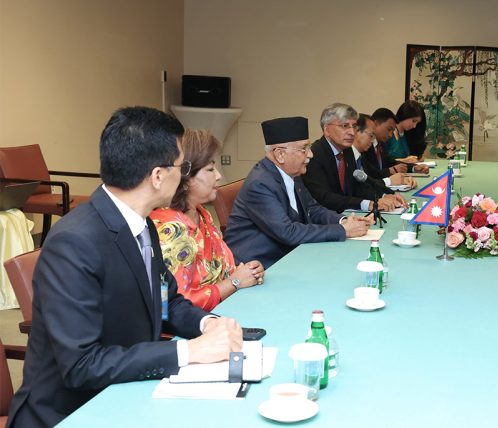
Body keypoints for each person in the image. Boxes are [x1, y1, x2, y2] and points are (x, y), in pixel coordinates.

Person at [7, 107, 243, 428]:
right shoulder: (73, 242)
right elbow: (81, 365)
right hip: (69, 413)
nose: (183, 175)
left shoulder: (141, 224)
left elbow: (167, 301)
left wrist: (207, 324)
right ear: (158, 176)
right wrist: (189, 352)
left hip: (127, 390)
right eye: (181, 166)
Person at [225, 116, 372, 269]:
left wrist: (344, 221)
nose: (310, 154)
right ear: (280, 154)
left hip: (289, 255)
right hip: (258, 265)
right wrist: (343, 231)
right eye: (304, 149)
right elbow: (288, 232)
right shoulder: (260, 184)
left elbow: (313, 209)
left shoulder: (293, 174)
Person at [150, 130, 265, 312]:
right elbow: (177, 305)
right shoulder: (170, 229)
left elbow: (217, 270)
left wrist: (246, 272)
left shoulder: (201, 213)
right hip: (198, 323)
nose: (218, 176)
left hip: (224, 309)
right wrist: (235, 282)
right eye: (210, 169)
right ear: (185, 177)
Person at [303, 103, 403, 213]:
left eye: (354, 126)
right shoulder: (315, 155)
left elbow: (356, 187)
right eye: (344, 126)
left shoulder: (347, 151)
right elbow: (325, 198)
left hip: (349, 214)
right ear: (327, 130)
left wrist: (383, 196)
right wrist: (367, 204)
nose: (352, 132)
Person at [351, 114, 415, 189]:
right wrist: (389, 181)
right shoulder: (347, 157)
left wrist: (412, 169)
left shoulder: (365, 153)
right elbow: (359, 188)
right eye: (371, 135)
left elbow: (371, 177)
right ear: (356, 131)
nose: (372, 141)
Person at [383, 101, 429, 173]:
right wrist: (403, 160)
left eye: (417, 123)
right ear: (405, 115)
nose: (414, 126)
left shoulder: (407, 134)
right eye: (413, 121)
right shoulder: (389, 134)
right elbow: (383, 161)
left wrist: (415, 163)